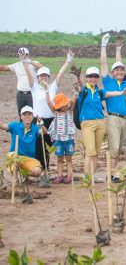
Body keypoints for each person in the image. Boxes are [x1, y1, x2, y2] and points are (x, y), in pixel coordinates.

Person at [21, 50, 73, 187]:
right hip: (38, 120)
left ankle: (47, 173)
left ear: (49, 77)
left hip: (51, 121)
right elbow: (29, 74)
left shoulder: (52, 87)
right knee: (39, 146)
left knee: (50, 147)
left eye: (45, 75)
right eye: (41, 75)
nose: (43, 77)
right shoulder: (34, 88)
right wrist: (25, 62)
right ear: (38, 77)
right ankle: (41, 172)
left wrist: (68, 61)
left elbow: (60, 74)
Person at [100, 33, 126, 177]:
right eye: (116, 70)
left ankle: (116, 173)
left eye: (121, 70)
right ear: (112, 72)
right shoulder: (108, 82)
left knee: (121, 148)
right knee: (114, 148)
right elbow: (103, 64)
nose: (119, 71)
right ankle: (112, 174)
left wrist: (119, 49)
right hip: (113, 118)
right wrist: (103, 46)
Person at [77, 67, 107, 180]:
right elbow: (79, 87)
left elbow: (110, 94)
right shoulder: (84, 91)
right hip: (87, 123)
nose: (93, 78)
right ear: (87, 78)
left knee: (96, 152)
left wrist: (122, 92)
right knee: (90, 151)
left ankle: (93, 176)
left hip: (100, 122)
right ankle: (87, 177)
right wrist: (78, 77)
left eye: (95, 76)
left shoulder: (99, 92)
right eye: (90, 76)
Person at [1, 106, 45, 179]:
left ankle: (23, 173)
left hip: (29, 158)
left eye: (29, 114)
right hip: (15, 155)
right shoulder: (15, 126)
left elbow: (43, 132)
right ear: (21, 116)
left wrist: (42, 125)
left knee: (38, 171)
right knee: (14, 160)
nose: (27, 116)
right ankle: (16, 180)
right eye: (24, 114)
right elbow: (3, 126)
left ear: (33, 116)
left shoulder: (35, 128)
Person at [1, 48, 43, 117]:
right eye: (20, 55)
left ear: (27, 55)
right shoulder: (16, 65)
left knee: (35, 115)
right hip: (20, 94)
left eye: (23, 54)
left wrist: (28, 61)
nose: (22, 56)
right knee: (21, 115)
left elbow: (42, 67)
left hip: (32, 94)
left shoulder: (34, 63)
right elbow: (4, 67)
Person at [45, 93, 75, 183]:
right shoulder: (55, 113)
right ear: (59, 106)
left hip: (69, 139)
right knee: (59, 158)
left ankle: (70, 176)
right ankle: (59, 176)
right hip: (58, 140)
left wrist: (76, 93)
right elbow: (48, 102)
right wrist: (46, 91)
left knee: (69, 159)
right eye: (63, 104)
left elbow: (74, 101)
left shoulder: (69, 112)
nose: (66, 105)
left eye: (66, 104)